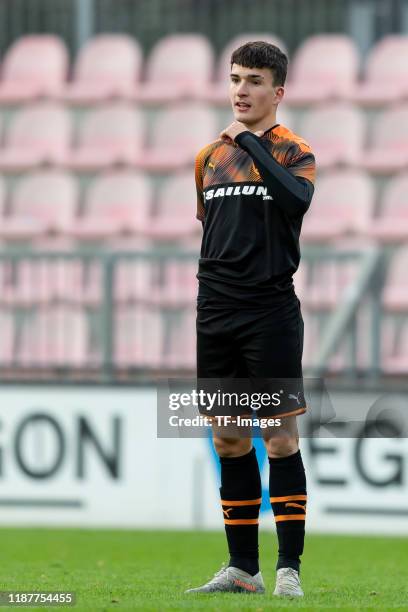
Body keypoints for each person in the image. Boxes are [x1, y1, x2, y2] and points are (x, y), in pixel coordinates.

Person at [185, 41, 316, 597]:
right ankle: (243, 569)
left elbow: (295, 203)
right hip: (216, 312)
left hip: (269, 313)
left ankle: (288, 569)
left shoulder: (293, 151)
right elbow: (214, 227)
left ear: (277, 92)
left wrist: (250, 143)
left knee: (280, 438)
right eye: (235, 78)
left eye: (254, 80)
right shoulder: (208, 158)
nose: (241, 89)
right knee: (229, 439)